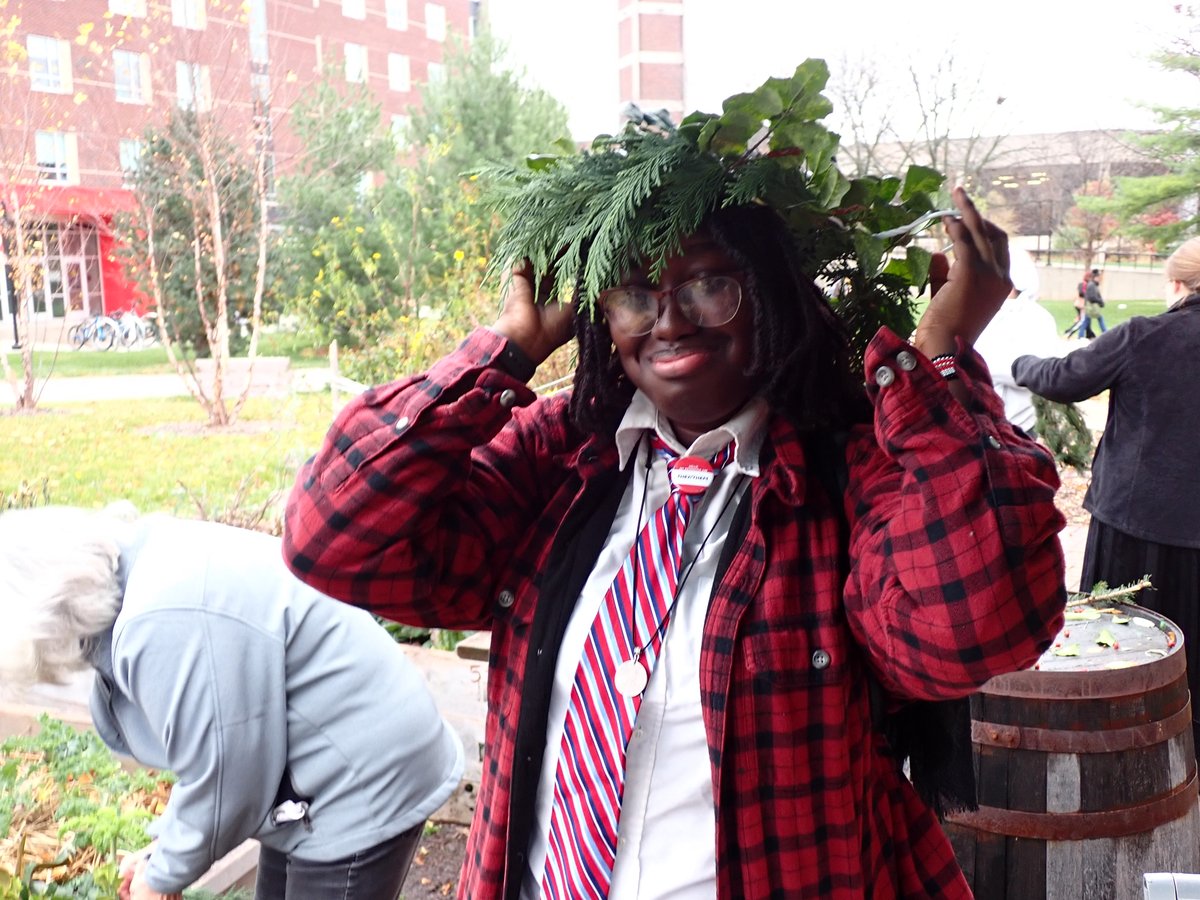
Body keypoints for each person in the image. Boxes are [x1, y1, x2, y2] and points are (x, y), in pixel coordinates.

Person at [283, 126, 1067, 896]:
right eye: (633, 294)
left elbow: (977, 622)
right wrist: (511, 348)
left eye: (709, 285)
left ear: (772, 295)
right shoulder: (561, 462)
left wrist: (936, 356)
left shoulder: (847, 474)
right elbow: (334, 537)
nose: (669, 320)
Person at [0, 507, 464, 900]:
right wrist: (162, 849)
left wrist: (161, 877)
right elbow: (223, 740)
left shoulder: (159, 623)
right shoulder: (137, 569)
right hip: (321, 769)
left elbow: (227, 773)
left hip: (362, 776)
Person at [1012, 236, 1200, 755]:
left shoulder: (1145, 335)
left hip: (1135, 524)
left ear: (1176, 285)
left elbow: (1062, 378)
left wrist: (1017, 363)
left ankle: (1121, 755)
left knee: (1120, 647)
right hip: (1164, 521)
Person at [973, 247, 1062, 432]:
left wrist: (982, 363)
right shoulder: (977, 311)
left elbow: (1038, 371)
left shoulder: (1038, 318)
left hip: (1019, 426)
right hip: (976, 423)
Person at [1085, 267, 1108, 334]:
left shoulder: (1093, 285)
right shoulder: (1092, 285)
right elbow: (1092, 297)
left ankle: (1081, 335)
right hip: (1092, 307)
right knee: (1100, 318)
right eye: (1098, 277)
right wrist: (1100, 301)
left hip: (1091, 307)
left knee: (1086, 321)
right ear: (1095, 277)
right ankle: (1105, 332)